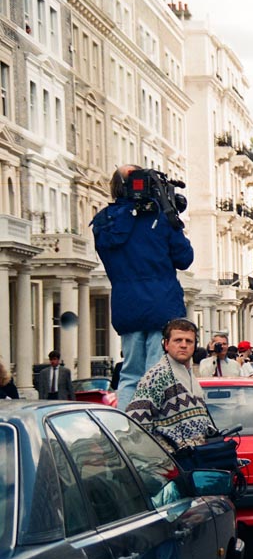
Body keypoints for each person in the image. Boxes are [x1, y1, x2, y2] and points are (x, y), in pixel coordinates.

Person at [92, 164, 194, 411]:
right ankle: (153, 425)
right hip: (162, 305)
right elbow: (184, 258)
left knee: (130, 374)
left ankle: (128, 424)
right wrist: (170, 215)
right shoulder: (160, 218)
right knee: (157, 371)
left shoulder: (104, 221)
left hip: (127, 305)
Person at [126, 319, 215, 454]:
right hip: (171, 461)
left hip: (195, 458)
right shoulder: (157, 375)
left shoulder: (191, 376)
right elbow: (136, 421)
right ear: (166, 344)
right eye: (178, 340)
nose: (183, 345)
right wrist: (162, 454)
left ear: (195, 346)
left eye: (189, 341)